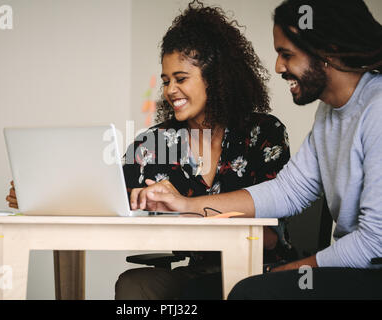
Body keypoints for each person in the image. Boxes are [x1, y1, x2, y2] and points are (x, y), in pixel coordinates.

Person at [133, 0, 382, 299]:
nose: (278, 67)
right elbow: (288, 191)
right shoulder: (329, 114)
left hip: (370, 273)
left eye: (287, 55)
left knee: (247, 293)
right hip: (351, 271)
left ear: (327, 51)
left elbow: (374, 243)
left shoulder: (377, 109)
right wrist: (185, 205)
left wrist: (293, 271)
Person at [115, 1, 296, 300]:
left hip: (262, 271)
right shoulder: (154, 145)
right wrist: (48, 196)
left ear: (215, 77)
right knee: (136, 285)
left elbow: (268, 237)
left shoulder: (264, 134)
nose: (170, 90)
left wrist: (187, 209)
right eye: (165, 81)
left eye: (181, 79)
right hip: (199, 275)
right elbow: (107, 195)